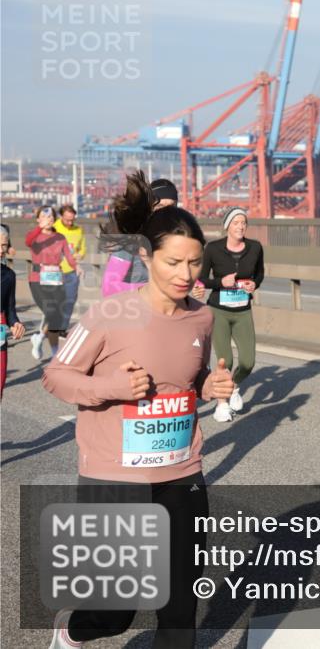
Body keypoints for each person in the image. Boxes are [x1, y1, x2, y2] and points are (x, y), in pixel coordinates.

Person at [43, 170, 234, 649]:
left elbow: (188, 379)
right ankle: (73, 629)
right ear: (147, 256)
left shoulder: (202, 316)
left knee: (180, 610)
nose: (186, 274)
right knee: (114, 612)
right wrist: (111, 386)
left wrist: (209, 386)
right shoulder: (110, 314)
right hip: (115, 477)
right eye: (174, 262)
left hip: (182, 472)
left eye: (194, 262)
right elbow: (56, 375)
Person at [198, 207, 264, 422]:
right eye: (236, 222)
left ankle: (233, 386)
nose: (240, 226)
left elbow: (260, 274)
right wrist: (221, 282)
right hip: (219, 311)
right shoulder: (213, 249)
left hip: (243, 311)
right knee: (224, 360)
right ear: (227, 226)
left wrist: (254, 284)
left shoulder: (255, 248)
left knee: (248, 362)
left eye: (243, 222)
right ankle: (222, 405)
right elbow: (202, 279)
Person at [101, 177, 177, 296]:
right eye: (160, 206)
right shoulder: (129, 239)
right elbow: (109, 287)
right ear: (149, 208)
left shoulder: (175, 239)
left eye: (171, 206)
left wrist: (195, 284)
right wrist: (151, 288)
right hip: (132, 305)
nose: (166, 212)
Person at [26, 206, 79, 360]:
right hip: (38, 279)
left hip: (56, 279)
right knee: (50, 311)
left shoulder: (60, 237)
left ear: (54, 219)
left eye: (50, 217)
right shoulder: (34, 236)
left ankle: (50, 346)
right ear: (38, 219)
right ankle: (45, 341)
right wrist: (39, 228)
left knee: (57, 316)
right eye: (44, 216)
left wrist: (77, 267)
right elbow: (28, 242)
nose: (47, 219)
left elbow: (68, 256)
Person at [1, 224, 26, 398]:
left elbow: (10, 310)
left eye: (4, 245)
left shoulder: (9, 275)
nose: (1, 251)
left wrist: (15, 323)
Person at [53, 205, 87, 329]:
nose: (70, 223)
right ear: (61, 216)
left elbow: (83, 249)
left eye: (72, 220)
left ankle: (63, 328)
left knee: (70, 301)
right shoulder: (53, 228)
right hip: (55, 270)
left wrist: (80, 255)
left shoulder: (78, 230)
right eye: (67, 220)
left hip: (72, 271)